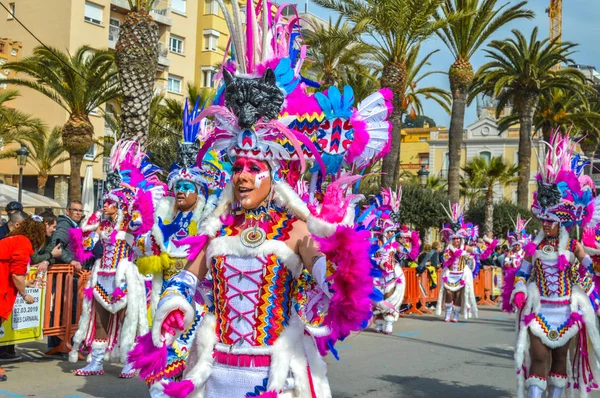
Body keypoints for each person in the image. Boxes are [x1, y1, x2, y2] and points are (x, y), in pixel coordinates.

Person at [129, 3, 393, 395]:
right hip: (213, 371)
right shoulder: (217, 228)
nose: (243, 177)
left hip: (275, 377)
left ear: (276, 175)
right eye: (237, 168)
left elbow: (330, 277)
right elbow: (186, 281)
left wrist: (342, 274)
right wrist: (172, 310)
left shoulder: (295, 229)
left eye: (255, 168)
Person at [130, 98, 230, 397]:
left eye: (189, 188)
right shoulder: (163, 220)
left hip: (198, 296)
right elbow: (142, 250)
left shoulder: (210, 222)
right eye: (178, 188)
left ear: (200, 193)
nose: (182, 193)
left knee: (190, 351)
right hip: (162, 291)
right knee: (161, 346)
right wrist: (147, 239)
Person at [511, 133, 600, 397]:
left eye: (551, 220)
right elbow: (522, 273)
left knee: (560, 362)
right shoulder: (533, 248)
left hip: (567, 311)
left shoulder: (573, 246)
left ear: (561, 222)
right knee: (539, 358)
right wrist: (519, 290)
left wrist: (591, 265)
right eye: (544, 220)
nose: (546, 224)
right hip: (540, 310)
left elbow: (591, 269)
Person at [68, 141, 166, 378]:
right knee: (100, 320)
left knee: (128, 320)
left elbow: (143, 222)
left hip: (125, 276)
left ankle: (130, 361)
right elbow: (84, 244)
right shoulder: (100, 224)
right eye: (105, 201)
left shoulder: (129, 222)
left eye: (111, 202)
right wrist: (90, 228)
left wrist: (135, 199)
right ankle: (97, 362)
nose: (106, 204)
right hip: (102, 276)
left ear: (120, 205)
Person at [0, 215, 46, 380]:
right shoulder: (23, 242)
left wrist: (26, 283)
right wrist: (25, 295)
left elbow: (14, 272)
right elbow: (15, 274)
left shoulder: (15, 239)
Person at [436, 205, 496, 323]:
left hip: (461, 274)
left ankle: (456, 314)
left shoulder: (465, 247)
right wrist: (453, 254)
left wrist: (488, 242)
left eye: (458, 238)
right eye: (454, 238)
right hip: (450, 273)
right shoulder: (448, 248)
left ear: (461, 238)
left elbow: (479, 251)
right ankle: (448, 312)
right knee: (448, 292)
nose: (457, 240)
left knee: (458, 294)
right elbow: (445, 260)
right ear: (451, 239)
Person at [500, 215, 530, 313]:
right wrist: (511, 263)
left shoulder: (525, 253)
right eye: (515, 244)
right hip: (511, 274)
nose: (517, 246)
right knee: (510, 290)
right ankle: (512, 305)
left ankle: (520, 304)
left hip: (522, 275)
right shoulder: (510, 253)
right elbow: (505, 263)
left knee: (520, 288)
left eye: (518, 245)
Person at [50, 201, 83, 272]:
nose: (78, 213)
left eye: (80, 211)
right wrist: (71, 261)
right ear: (67, 211)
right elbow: (56, 245)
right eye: (75, 210)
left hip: (71, 271)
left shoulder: (74, 226)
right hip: (64, 272)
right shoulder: (64, 225)